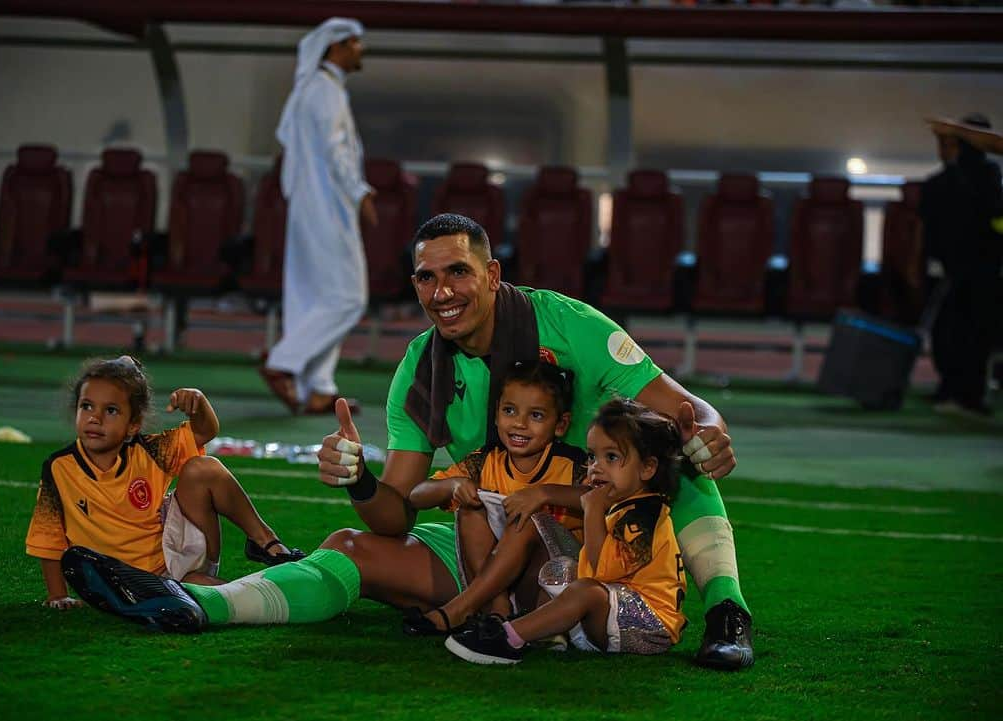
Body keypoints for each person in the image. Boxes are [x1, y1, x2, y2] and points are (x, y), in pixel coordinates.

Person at [63, 213, 753, 671]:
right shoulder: (420, 371)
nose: (441, 289)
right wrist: (361, 478)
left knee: (681, 454)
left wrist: (711, 429)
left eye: (457, 272)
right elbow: (397, 510)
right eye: (426, 276)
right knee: (349, 544)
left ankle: (727, 612)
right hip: (495, 537)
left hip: (600, 537)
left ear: (490, 275)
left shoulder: (571, 325)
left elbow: (680, 404)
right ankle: (192, 603)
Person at [28, 355, 303, 609]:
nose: (95, 418)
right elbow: (49, 539)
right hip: (121, 584)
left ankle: (266, 543)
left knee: (202, 468)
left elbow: (205, 431)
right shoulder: (58, 467)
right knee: (219, 596)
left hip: (171, 564)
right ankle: (274, 594)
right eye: (86, 406)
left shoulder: (150, 451)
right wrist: (58, 596)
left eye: (111, 410)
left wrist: (198, 401)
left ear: (133, 425)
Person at [445, 399, 687, 665]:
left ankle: (507, 638)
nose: (596, 467)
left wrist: (592, 510)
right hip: (611, 612)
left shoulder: (644, 515)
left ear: (647, 468)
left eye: (612, 457)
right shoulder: (623, 502)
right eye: (593, 456)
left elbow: (599, 575)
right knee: (558, 560)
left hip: (646, 625)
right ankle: (544, 630)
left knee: (586, 590)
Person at [405, 360, 588, 632]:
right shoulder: (485, 461)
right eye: (509, 410)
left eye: (536, 415)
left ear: (560, 424)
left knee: (525, 519)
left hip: (555, 583)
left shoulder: (573, 465)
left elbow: (604, 500)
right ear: (496, 414)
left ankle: (458, 610)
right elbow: (416, 496)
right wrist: (452, 486)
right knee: (471, 509)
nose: (519, 424)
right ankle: (497, 609)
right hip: (498, 582)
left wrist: (543, 493)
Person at [260, 16, 377, 415]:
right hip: (328, 207)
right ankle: (283, 362)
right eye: (355, 43)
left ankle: (319, 388)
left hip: (310, 207)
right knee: (348, 297)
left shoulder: (314, 90)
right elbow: (336, 153)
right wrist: (360, 193)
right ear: (335, 47)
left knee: (312, 298)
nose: (361, 50)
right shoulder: (324, 93)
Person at [920, 113, 1003, 417]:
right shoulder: (953, 179)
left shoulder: (980, 175)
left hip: (973, 268)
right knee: (958, 333)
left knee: (965, 333)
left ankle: (962, 394)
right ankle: (959, 392)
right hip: (968, 268)